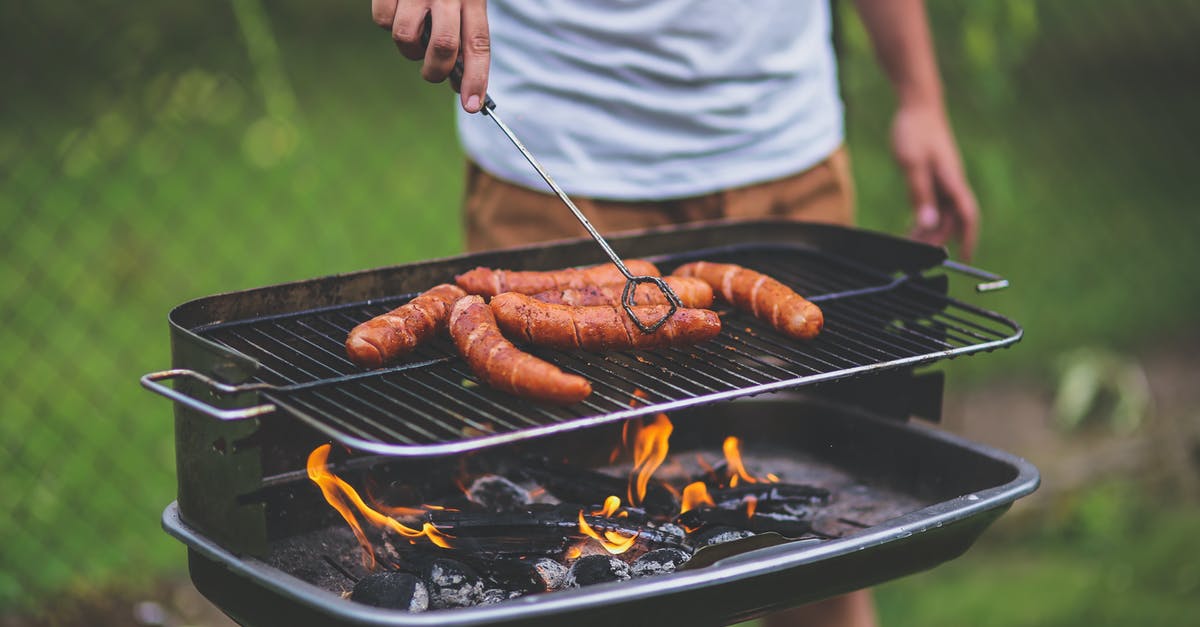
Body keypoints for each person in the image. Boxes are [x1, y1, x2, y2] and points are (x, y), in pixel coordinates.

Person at [370, 1, 978, 624]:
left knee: (818, 542)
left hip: (784, 150)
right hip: (554, 155)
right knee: (555, 544)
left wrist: (920, 96)